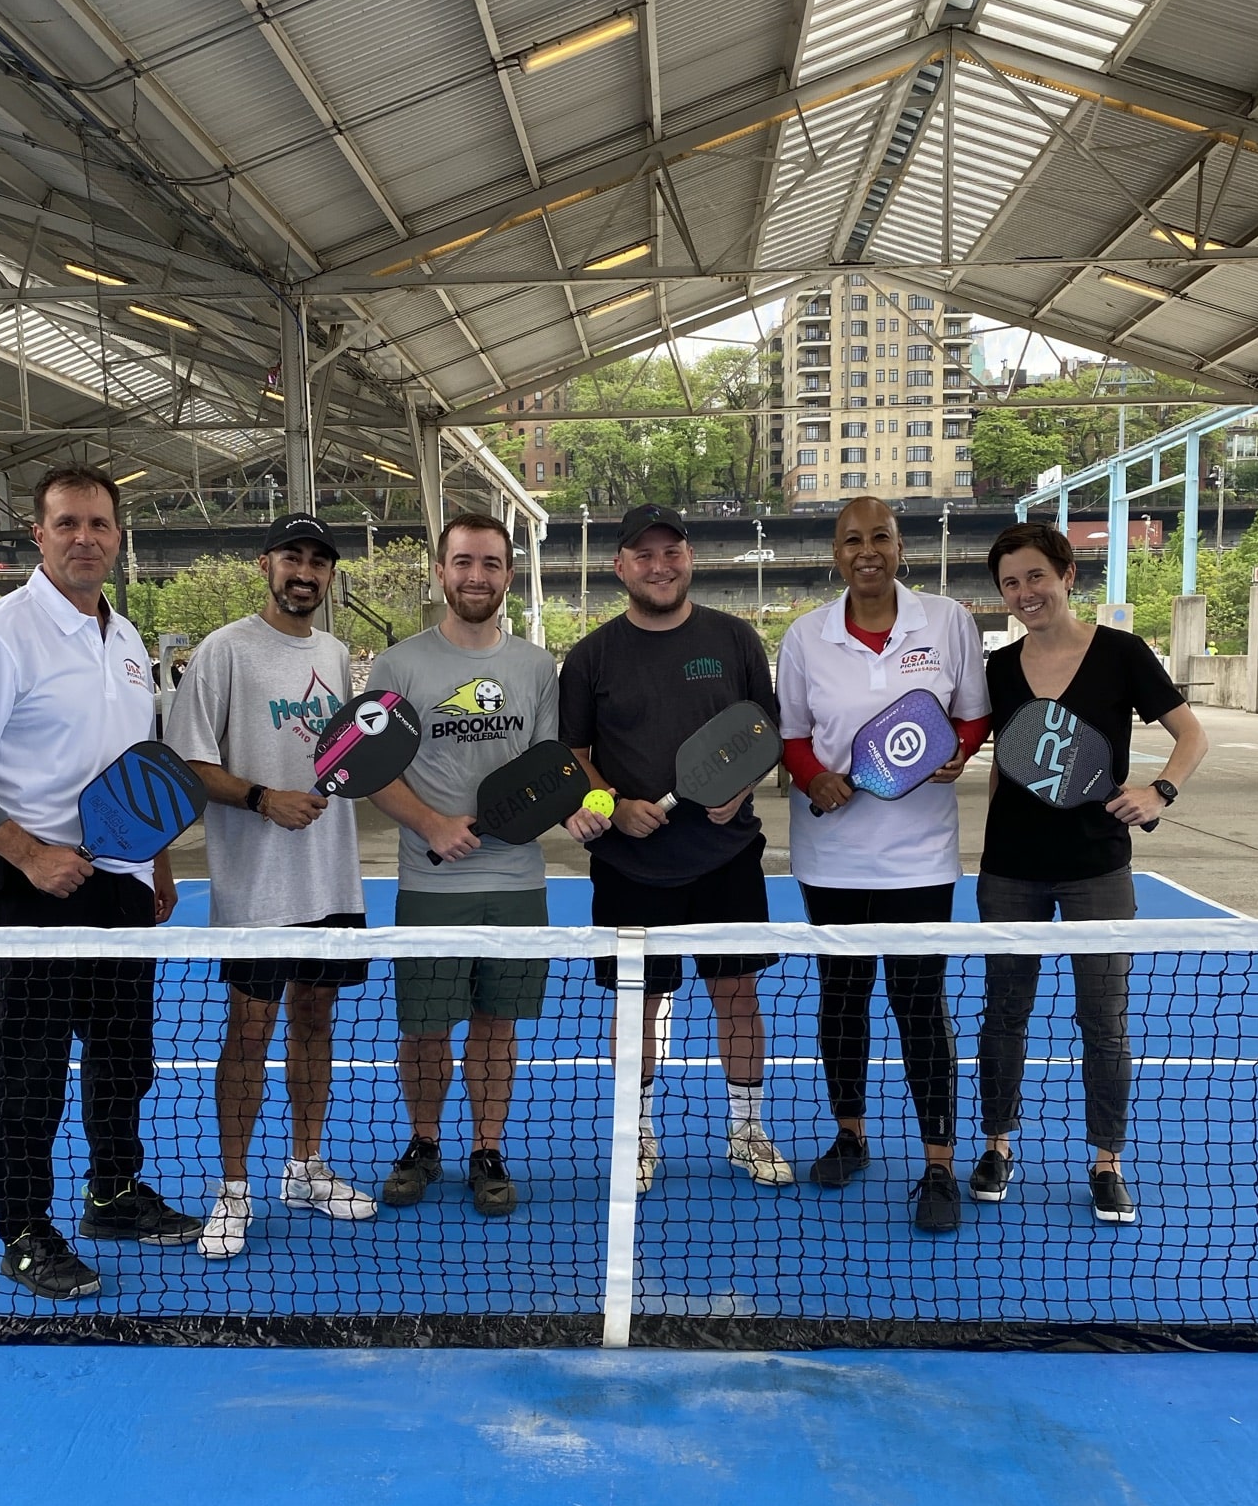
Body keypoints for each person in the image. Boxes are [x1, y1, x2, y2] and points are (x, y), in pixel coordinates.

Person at [0, 465, 203, 1301]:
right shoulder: (1, 635)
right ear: (38, 535)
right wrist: (29, 852)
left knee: (122, 1059)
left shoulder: (127, 637)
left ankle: (112, 1193)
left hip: (118, 887)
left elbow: (135, 766)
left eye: (100, 524)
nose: (85, 538)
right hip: (27, 892)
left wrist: (156, 859)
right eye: (67, 523)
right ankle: (26, 1231)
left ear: (118, 536)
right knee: (27, 1070)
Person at [365, 515, 608, 1216]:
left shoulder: (534, 666)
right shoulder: (399, 666)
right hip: (431, 881)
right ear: (440, 571)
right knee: (425, 1029)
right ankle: (424, 1141)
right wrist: (432, 824)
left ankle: (487, 1147)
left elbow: (552, 768)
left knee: (497, 1025)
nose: (477, 576)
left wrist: (578, 808)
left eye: (492, 564)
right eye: (464, 561)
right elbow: (370, 768)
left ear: (508, 575)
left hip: (515, 884)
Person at [971, 521, 1207, 1223]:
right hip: (1009, 870)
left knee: (1103, 1021)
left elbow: (1191, 734)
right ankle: (998, 1145)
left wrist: (1159, 791)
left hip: (1097, 869)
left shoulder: (1123, 653)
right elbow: (1005, 764)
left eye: (1035, 576)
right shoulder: (999, 668)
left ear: (1068, 574)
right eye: (1011, 583)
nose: (1024, 593)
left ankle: (1107, 1162)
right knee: (1003, 1016)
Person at [560, 503, 792, 1192]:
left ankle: (747, 1129)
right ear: (620, 567)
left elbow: (765, 734)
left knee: (737, 996)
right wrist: (612, 805)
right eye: (644, 555)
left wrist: (741, 783)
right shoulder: (592, 655)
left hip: (726, 859)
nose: (660, 566)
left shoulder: (734, 639)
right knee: (640, 1003)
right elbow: (574, 756)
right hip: (631, 866)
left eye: (672, 552)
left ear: (688, 557)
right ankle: (638, 1136)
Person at [777, 497, 990, 1233]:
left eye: (880, 537)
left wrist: (958, 750)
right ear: (835, 553)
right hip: (829, 857)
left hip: (921, 860)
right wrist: (814, 779)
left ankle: (938, 1164)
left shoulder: (948, 622)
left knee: (919, 1006)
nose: (866, 550)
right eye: (851, 540)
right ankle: (851, 1136)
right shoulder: (806, 636)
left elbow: (972, 714)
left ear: (901, 546)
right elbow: (793, 736)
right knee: (842, 1002)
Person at [165, 513, 374, 1261]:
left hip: (333, 877)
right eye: (294, 556)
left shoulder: (335, 651)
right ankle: (232, 1191)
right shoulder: (223, 652)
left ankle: (306, 1168)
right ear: (266, 564)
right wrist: (263, 799)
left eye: (319, 561)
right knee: (248, 1031)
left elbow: (347, 756)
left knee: (316, 1022)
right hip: (256, 888)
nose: (306, 571)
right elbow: (189, 764)